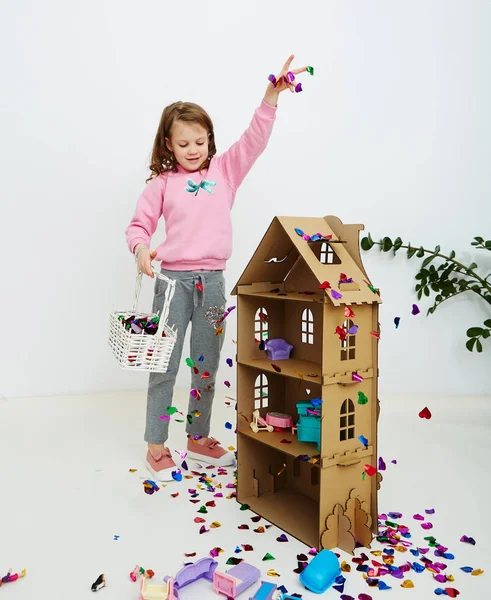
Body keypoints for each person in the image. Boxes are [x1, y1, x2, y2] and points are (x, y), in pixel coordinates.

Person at [125, 55, 309, 481]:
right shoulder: (161, 185)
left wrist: (270, 98)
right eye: (183, 143)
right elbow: (139, 225)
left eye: (200, 142)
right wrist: (140, 249)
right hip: (171, 284)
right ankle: (156, 443)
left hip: (213, 282)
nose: (193, 150)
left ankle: (198, 437)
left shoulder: (225, 171)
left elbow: (254, 140)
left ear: (210, 140)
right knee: (164, 364)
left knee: (206, 364)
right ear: (168, 144)